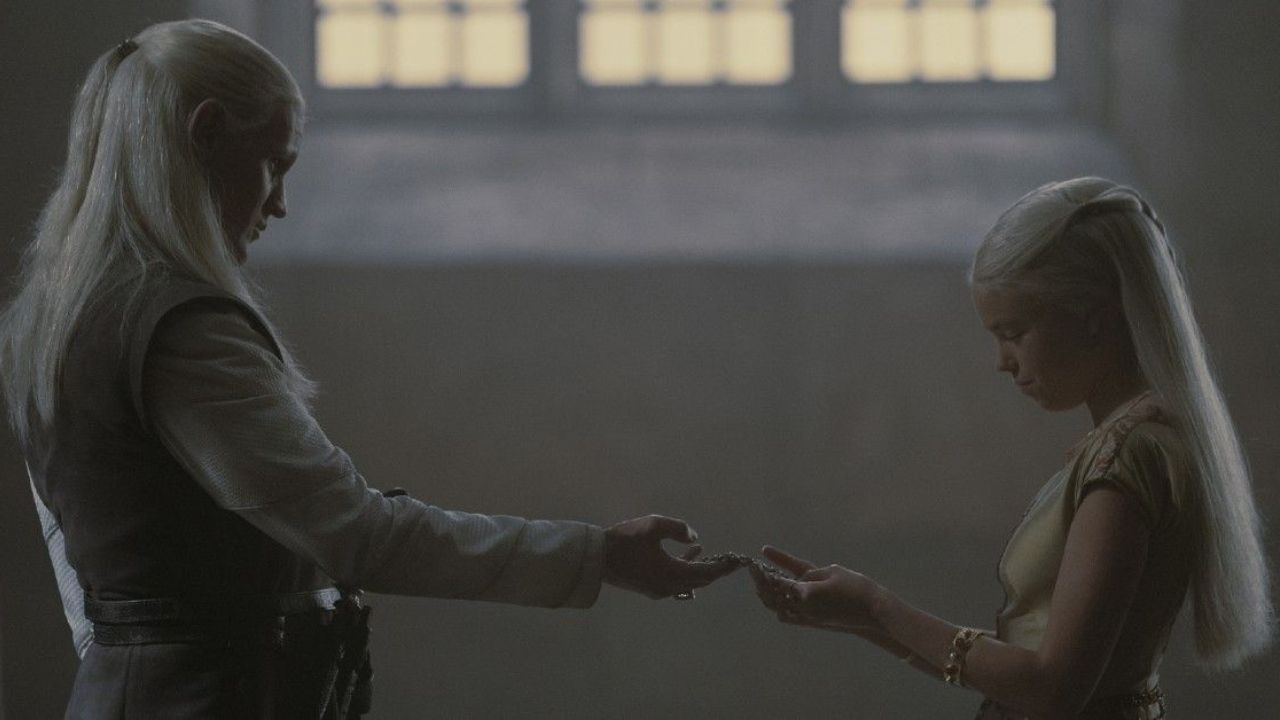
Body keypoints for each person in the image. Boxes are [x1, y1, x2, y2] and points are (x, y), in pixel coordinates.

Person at [0, 19, 736, 718]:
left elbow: (79, 577)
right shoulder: (182, 330)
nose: (279, 204)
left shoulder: (57, 317)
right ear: (207, 132)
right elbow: (358, 534)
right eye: (273, 165)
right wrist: (597, 555)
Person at [749, 177, 1273, 719]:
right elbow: (1021, 675)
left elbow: (1050, 686)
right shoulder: (1139, 444)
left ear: (1095, 317)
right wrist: (861, 617)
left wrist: (878, 606)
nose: (1002, 361)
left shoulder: (1126, 458)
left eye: (1014, 333)